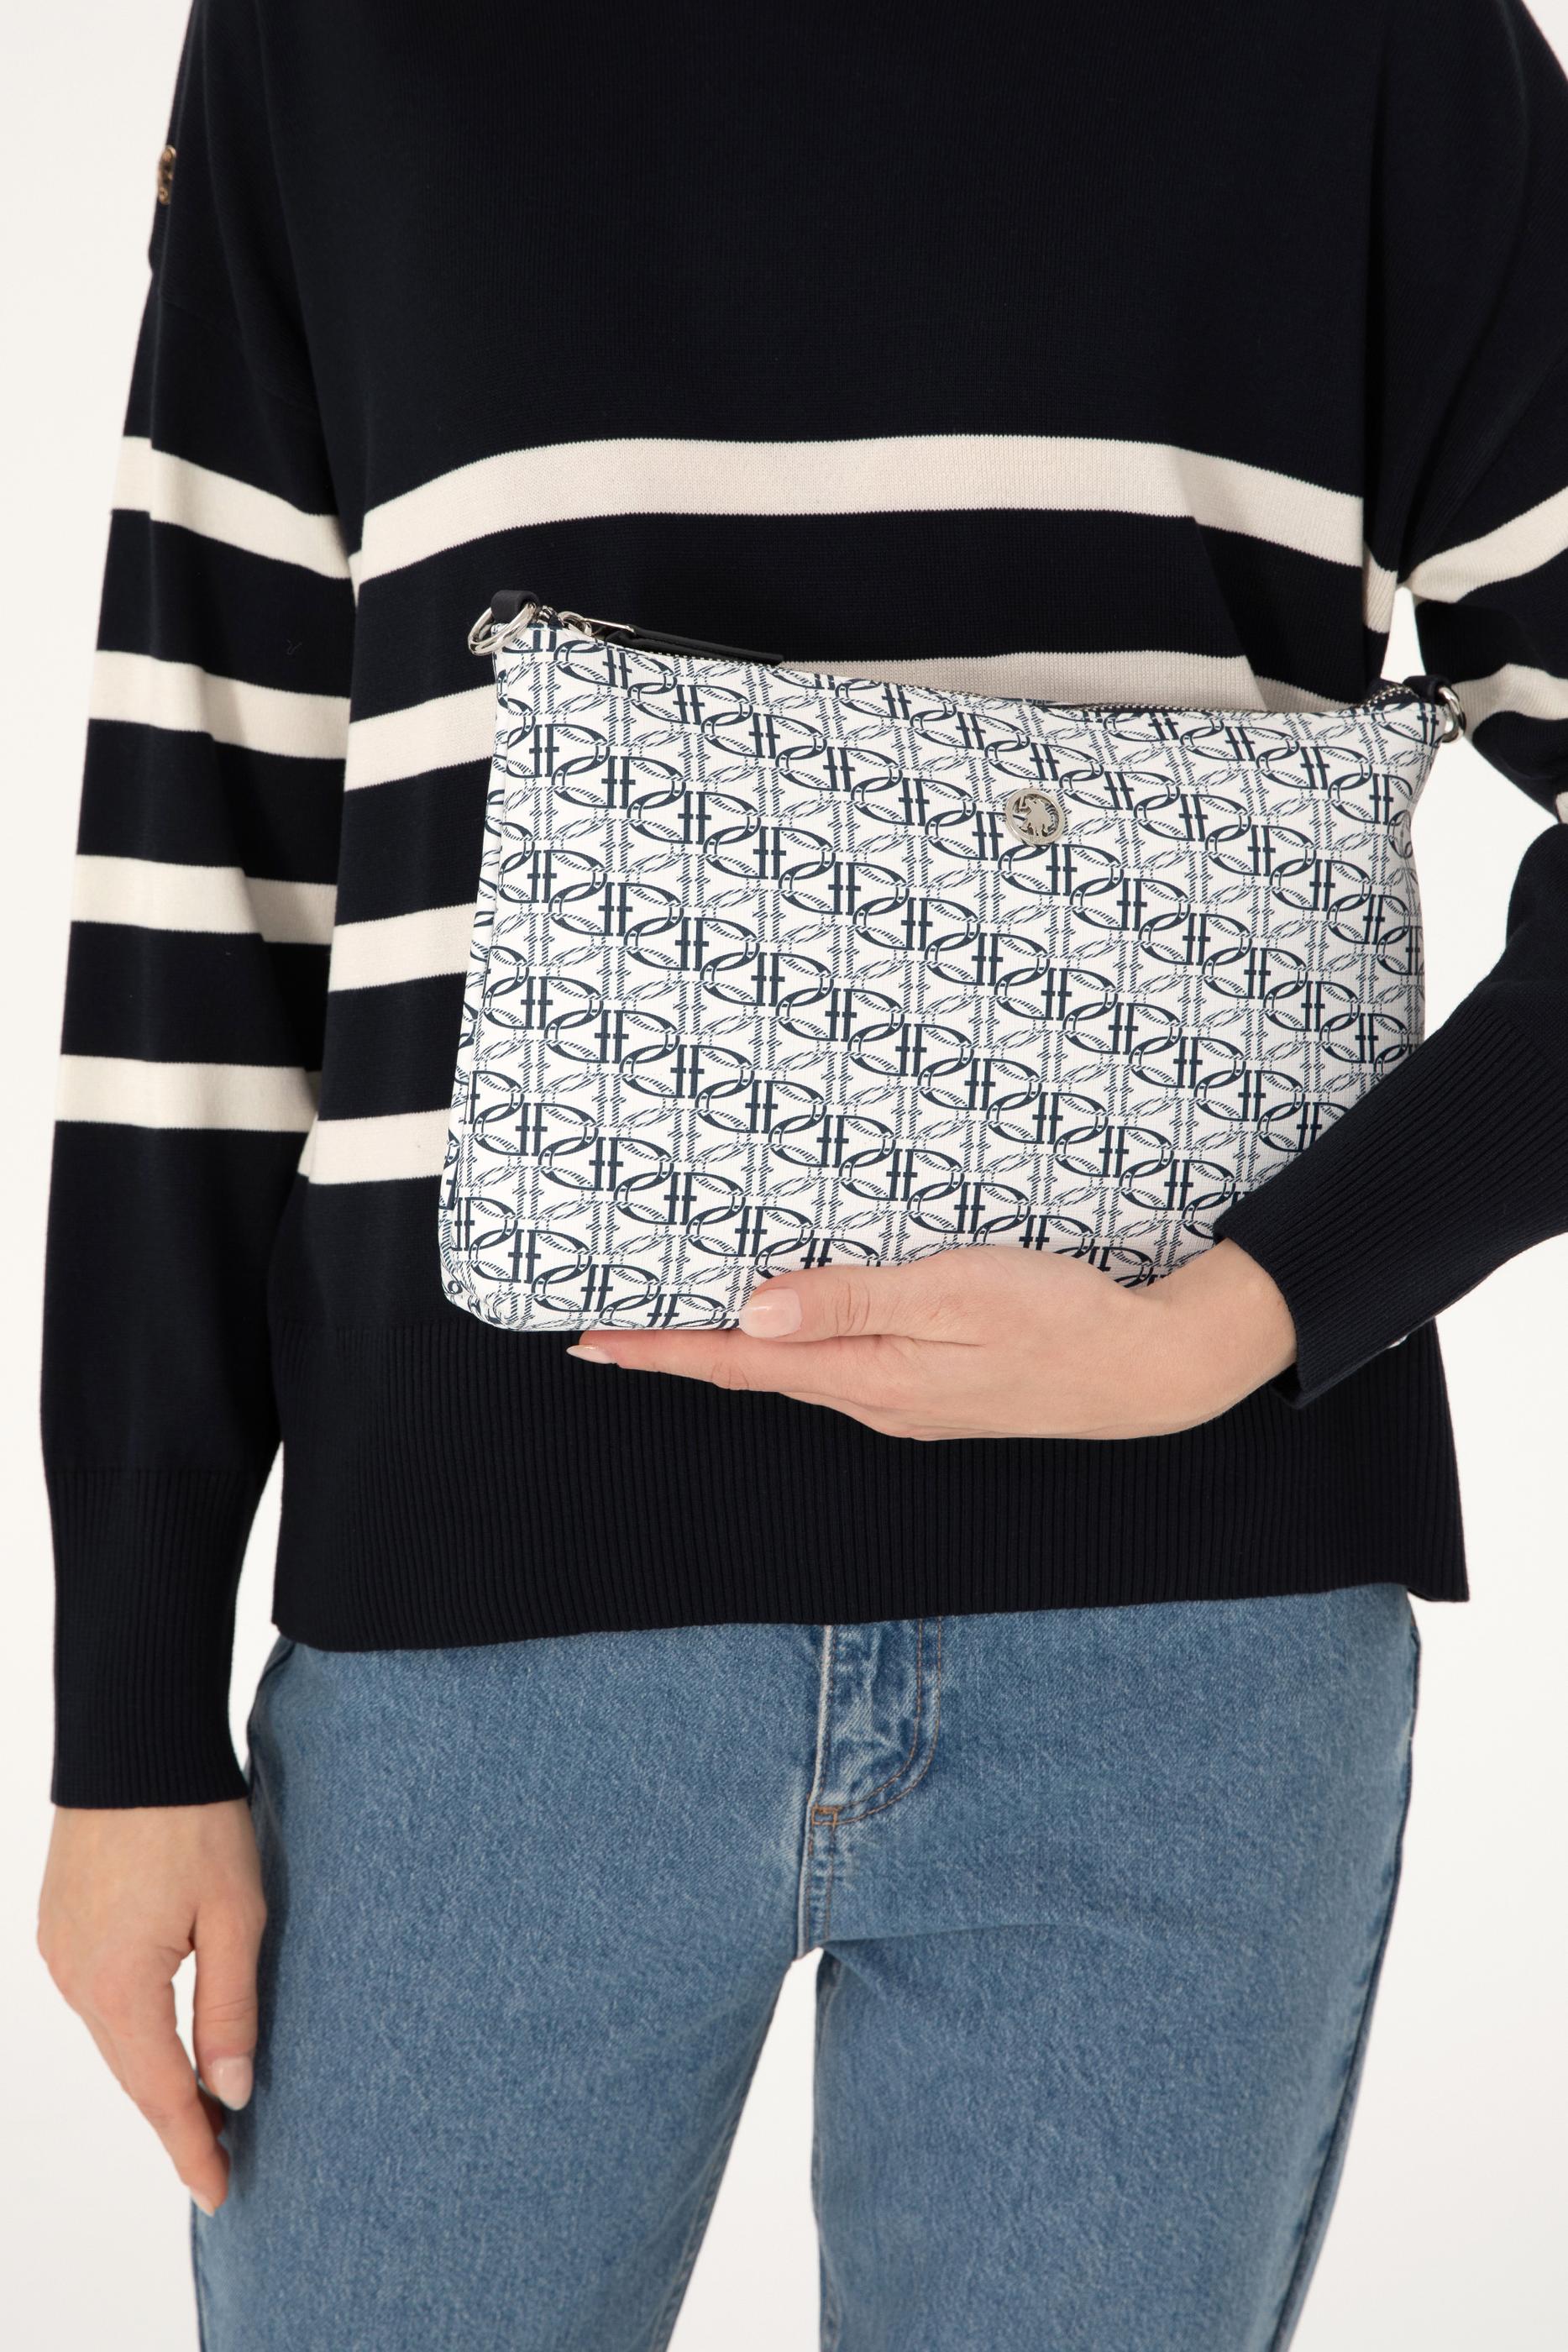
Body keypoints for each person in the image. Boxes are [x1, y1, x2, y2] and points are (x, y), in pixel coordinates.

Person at [34, 3, 1568, 2346]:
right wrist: (126, 1724)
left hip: (1184, 1661)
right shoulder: (337, 38)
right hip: (475, 1649)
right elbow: (204, 850)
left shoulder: (1378, 44)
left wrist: (1237, 1320)